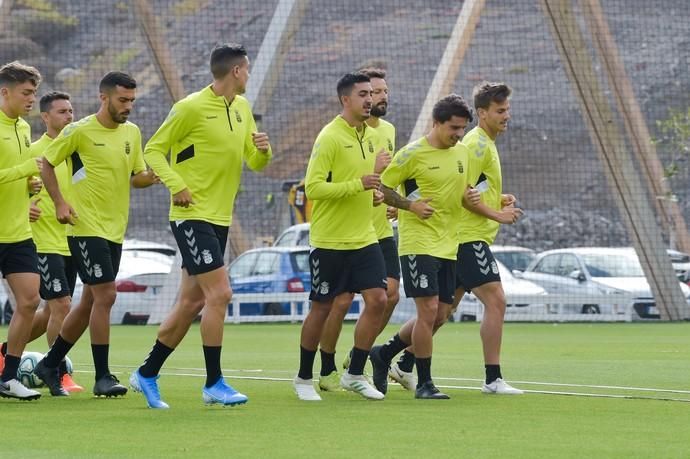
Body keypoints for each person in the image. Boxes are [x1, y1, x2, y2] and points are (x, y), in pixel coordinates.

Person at [130, 43, 272, 409]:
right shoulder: (190, 107)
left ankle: (146, 373)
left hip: (220, 217)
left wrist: (264, 149)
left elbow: (255, 163)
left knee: (191, 302)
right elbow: (153, 151)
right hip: (192, 217)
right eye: (248, 69)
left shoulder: (241, 109)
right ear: (237, 71)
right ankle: (214, 383)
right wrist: (177, 185)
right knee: (220, 294)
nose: (249, 75)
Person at [292, 72, 429, 402]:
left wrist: (377, 196)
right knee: (322, 308)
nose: (371, 99)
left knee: (381, 299)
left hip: (365, 237)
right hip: (329, 241)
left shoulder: (373, 136)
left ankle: (354, 371)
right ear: (345, 100)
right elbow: (313, 188)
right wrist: (360, 185)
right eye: (363, 94)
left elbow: (369, 184)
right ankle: (304, 377)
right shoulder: (329, 137)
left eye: (374, 93)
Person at [33, 72, 158, 397]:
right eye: (122, 100)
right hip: (84, 227)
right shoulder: (79, 130)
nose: (128, 106)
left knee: (89, 301)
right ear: (104, 98)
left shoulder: (132, 132)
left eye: (132, 100)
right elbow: (47, 163)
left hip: (115, 229)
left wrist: (155, 174)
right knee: (106, 296)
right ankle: (103, 376)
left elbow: (136, 177)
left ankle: (50, 363)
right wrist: (60, 202)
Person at [369, 94, 478, 399]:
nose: (458, 134)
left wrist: (489, 202)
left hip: (449, 244)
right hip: (418, 243)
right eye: (453, 128)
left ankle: (383, 353)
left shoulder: (463, 154)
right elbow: (383, 186)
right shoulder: (411, 154)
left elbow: (464, 191)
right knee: (428, 310)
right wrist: (409, 206)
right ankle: (426, 383)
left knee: (441, 314)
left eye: (462, 129)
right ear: (436, 123)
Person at [316, 68, 400, 392]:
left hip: (378, 229)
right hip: (347, 230)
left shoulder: (388, 131)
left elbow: (386, 179)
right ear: (353, 98)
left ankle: (358, 359)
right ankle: (326, 367)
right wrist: (366, 186)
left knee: (388, 297)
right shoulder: (343, 134)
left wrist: (392, 200)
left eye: (382, 91)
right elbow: (330, 182)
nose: (380, 97)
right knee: (339, 302)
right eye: (373, 92)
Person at [0, 91, 83, 392]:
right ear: (46, 117)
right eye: (62, 111)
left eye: (71, 111)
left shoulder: (78, 147)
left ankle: (6, 359)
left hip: (71, 238)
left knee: (46, 308)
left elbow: (27, 185)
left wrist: (28, 189)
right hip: (42, 241)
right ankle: (57, 372)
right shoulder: (37, 149)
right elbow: (24, 181)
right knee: (60, 305)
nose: (69, 116)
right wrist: (30, 203)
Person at [451, 82, 523, 395]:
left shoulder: (485, 143)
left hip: (467, 236)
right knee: (496, 301)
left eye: (507, 109)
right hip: (469, 238)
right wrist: (499, 215)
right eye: (500, 111)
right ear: (482, 113)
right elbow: (463, 195)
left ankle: (390, 356)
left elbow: (475, 189)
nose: (506, 116)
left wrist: (498, 197)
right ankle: (493, 379)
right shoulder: (477, 145)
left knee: (440, 313)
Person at [0, 61, 44, 401]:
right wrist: (26, 168)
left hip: (17, 232)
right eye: (26, 93)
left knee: (30, 301)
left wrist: (30, 185)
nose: (32, 99)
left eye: (34, 93)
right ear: (5, 92)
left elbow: (15, 176)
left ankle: (8, 377)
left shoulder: (24, 128)